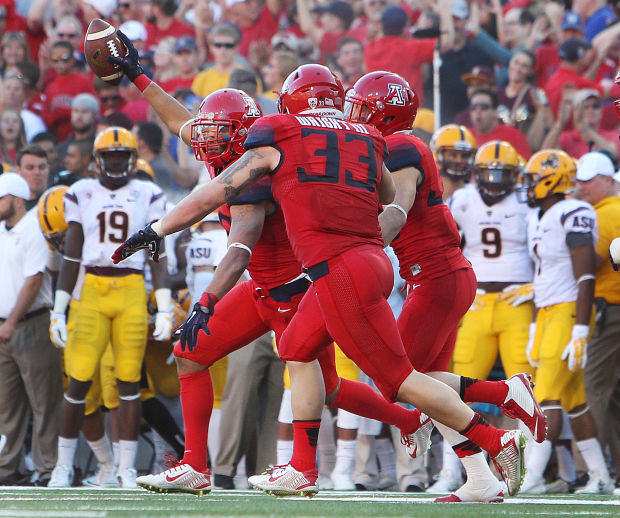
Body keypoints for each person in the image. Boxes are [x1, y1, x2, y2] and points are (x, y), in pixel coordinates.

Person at [110, 45, 530, 497]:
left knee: (398, 381)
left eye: (218, 134)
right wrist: (135, 73)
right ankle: (289, 467)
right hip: (330, 270)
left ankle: (495, 433)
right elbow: (388, 196)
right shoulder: (360, 137)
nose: (206, 142)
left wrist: (163, 235)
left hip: (316, 278)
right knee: (295, 363)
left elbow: (228, 222)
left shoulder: (276, 139)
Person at [343, 72, 545, 503]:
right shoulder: (393, 147)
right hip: (438, 276)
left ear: (384, 111)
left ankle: (504, 394)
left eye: (361, 107)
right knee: (429, 386)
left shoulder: (400, 149)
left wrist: (356, 251)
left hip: (435, 277)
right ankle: (480, 478)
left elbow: (397, 210)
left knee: (395, 381)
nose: (353, 113)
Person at [47, 127, 172, 489]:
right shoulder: (80, 193)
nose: (116, 163)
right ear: (98, 160)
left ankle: (126, 469)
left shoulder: (148, 192)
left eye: (122, 156)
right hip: (93, 290)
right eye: (110, 156)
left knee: (128, 382)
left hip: (131, 287)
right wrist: (59, 309)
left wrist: (163, 307)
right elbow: (71, 256)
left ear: (132, 159)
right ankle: (62, 467)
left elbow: (157, 257)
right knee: (79, 381)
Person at [443, 140, 538, 495]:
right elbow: (450, 245)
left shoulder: (528, 203)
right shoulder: (462, 199)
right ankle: (456, 471)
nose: (495, 182)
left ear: (515, 176)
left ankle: (532, 473)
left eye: (502, 174)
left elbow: (543, 251)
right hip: (477, 301)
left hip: (517, 300)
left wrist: (535, 287)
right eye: (489, 173)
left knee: (528, 387)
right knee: (453, 388)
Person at [517, 149, 614, 495]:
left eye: (533, 178)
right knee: (575, 401)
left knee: (546, 397)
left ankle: (529, 477)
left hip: (569, 310)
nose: (528, 186)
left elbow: (586, 276)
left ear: (552, 179)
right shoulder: (539, 216)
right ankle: (600, 476)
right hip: (546, 312)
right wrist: (532, 327)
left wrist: (580, 330)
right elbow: (540, 276)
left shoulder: (574, 211)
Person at [0, 172, 62, 487]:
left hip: (32, 322)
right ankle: (6, 468)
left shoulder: (35, 229)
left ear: (16, 198)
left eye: (1, 198)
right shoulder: (1, 231)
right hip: (3, 328)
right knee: (6, 404)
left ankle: (48, 467)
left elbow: (34, 279)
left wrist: (10, 322)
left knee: (44, 401)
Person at [573, 151, 620, 485]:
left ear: (607, 180)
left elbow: (591, 262)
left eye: (589, 180)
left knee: (595, 389)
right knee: (613, 395)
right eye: (579, 180)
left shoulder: (606, 213)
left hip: (610, 308)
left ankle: (599, 472)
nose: (581, 186)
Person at [468, 88, 532, 159]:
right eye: (473, 107)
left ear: (496, 112)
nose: (478, 111)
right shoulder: (465, 136)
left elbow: (524, 166)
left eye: (484, 107)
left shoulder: (514, 136)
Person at [429, 124, 477, 201]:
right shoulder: (423, 194)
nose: (459, 161)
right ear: (436, 154)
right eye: (453, 155)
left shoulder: (476, 197)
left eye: (464, 156)